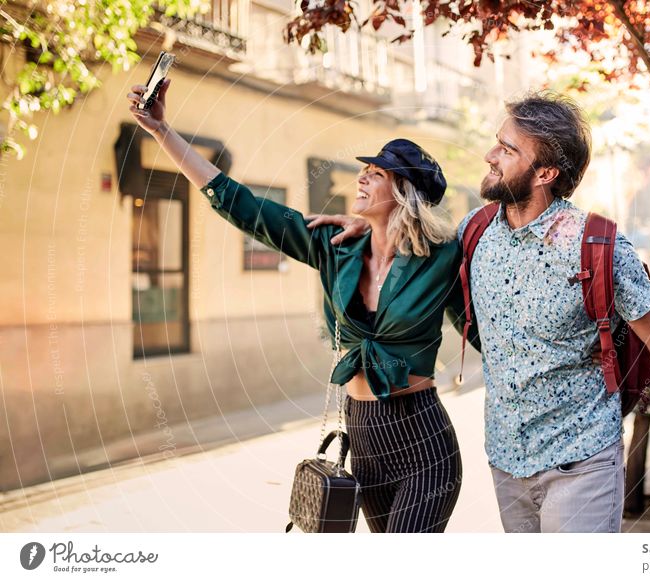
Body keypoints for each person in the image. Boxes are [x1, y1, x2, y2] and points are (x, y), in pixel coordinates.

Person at [313, 90, 650, 533]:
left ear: (545, 172)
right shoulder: (472, 235)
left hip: (582, 462)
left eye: (508, 150)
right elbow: (417, 248)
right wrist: (373, 224)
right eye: (497, 142)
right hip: (507, 465)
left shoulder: (598, 245)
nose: (491, 155)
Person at [126, 79, 466, 533]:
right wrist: (161, 131)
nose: (362, 176)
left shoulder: (443, 257)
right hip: (363, 437)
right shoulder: (334, 245)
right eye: (365, 169)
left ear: (403, 191)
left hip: (423, 441)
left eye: (377, 173)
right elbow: (241, 205)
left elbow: (484, 307)